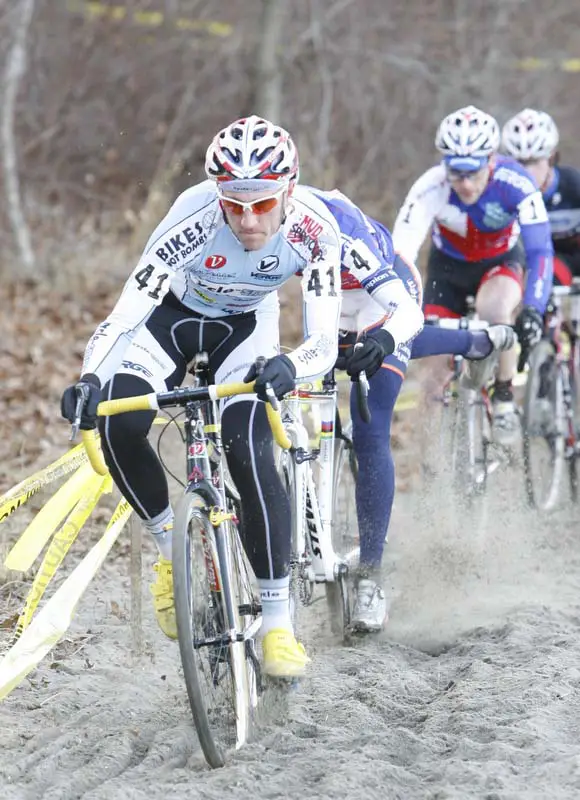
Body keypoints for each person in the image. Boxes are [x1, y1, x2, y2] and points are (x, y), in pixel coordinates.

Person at [60, 115, 343, 679]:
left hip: (248, 327)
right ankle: (174, 554)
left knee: (248, 448)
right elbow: (126, 314)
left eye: (262, 205)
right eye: (233, 204)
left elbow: (325, 340)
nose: (245, 219)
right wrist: (90, 378)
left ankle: (278, 623)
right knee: (118, 422)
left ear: (288, 189)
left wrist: (291, 365)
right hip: (173, 320)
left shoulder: (316, 229)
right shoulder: (191, 218)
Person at [311, 188, 515, 631]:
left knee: (370, 426)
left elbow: (402, 315)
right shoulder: (257, 220)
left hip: (384, 294)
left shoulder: (341, 233)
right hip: (328, 296)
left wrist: (383, 341)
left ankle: (371, 577)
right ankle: (473, 340)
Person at [393, 105, 554, 446]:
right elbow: (400, 253)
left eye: (473, 172)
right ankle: (435, 461)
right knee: (433, 369)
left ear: (491, 160)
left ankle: (505, 397)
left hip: (499, 264)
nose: (464, 184)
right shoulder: (431, 186)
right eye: (456, 172)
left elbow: (540, 250)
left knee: (495, 311)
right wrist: (394, 305)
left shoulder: (516, 182)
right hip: (448, 269)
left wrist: (533, 309)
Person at [501, 108, 580, 286]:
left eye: (534, 162)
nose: (526, 173)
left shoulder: (574, 186)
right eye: (519, 163)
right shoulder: (503, 193)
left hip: (570, 255)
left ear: (551, 158)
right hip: (529, 259)